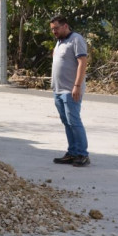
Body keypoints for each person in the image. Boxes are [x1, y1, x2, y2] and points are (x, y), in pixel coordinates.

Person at [49, 15, 90, 167]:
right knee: (67, 122)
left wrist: (77, 86)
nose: (54, 32)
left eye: (56, 28)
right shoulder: (59, 42)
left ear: (65, 26)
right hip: (58, 90)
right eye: (52, 29)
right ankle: (72, 152)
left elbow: (82, 63)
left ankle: (82, 154)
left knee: (74, 121)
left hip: (70, 90)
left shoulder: (76, 39)